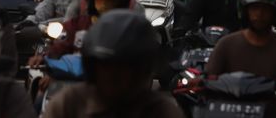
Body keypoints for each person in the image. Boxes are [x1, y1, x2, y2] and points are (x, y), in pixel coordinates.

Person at [44, 10, 185, 118]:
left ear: (143, 71)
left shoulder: (164, 112)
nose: (114, 77)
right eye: (106, 67)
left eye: (126, 69)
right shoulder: (69, 104)